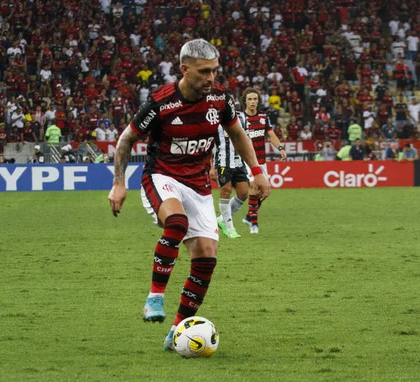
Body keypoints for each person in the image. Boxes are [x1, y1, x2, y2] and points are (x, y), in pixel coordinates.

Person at [107, 39, 270, 351]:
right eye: (204, 71)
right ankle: (154, 296)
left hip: (197, 185)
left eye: (214, 71)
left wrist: (257, 170)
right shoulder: (161, 102)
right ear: (184, 69)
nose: (211, 77)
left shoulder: (221, 100)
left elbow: (237, 133)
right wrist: (118, 183)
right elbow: (127, 138)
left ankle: (176, 331)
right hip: (161, 176)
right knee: (177, 222)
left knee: (207, 257)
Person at [237, 87, 287, 234]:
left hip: (261, 161)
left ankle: (248, 216)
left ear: (258, 101)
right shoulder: (240, 118)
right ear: (245, 101)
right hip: (246, 161)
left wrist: (280, 148)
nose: (252, 102)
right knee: (253, 187)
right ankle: (254, 224)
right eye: (250, 99)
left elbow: (271, 136)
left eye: (255, 99)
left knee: (265, 192)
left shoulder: (264, 117)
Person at [210, 125, 248, 239]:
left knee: (244, 193)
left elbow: (245, 140)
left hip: (239, 163)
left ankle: (221, 219)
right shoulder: (215, 121)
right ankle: (230, 228)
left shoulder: (241, 118)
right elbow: (208, 145)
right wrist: (211, 166)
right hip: (223, 163)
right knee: (225, 192)